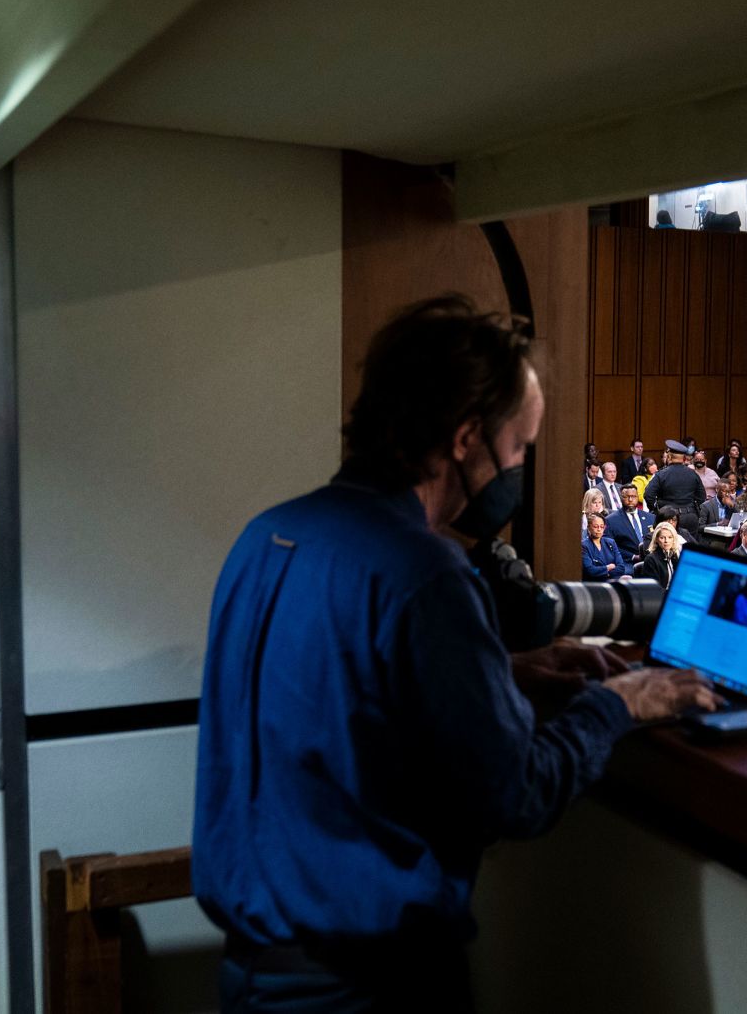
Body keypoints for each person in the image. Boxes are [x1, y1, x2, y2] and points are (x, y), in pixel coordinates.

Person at [194, 297, 717, 1010]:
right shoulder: (425, 574)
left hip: (254, 975)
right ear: (468, 438)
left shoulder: (268, 535)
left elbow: (334, 693)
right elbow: (516, 792)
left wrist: (502, 672)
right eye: (521, 448)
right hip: (368, 987)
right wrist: (617, 702)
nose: (521, 468)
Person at [645, 441, 706, 531]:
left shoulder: (661, 474)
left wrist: (657, 510)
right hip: (690, 517)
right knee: (690, 544)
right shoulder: (693, 474)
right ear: (684, 458)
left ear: (669, 457)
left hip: (669, 519)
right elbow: (702, 497)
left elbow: (648, 495)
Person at [605, 485, 655, 562]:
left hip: (651, 560)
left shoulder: (651, 518)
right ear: (620, 498)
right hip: (627, 562)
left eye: (633, 496)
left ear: (638, 497)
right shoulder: (611, 520)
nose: (630, 500)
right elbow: (609, 546)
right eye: (626, 497)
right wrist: (633, 557)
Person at [581, 514, 628, 581]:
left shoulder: (611, 542)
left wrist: (606, 573)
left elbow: (621, 567)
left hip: (612, 579)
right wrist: (607, 567)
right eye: (595, 527)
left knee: (627, 578)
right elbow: (590, 570)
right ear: (588, 527)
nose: (599, 529)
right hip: (594, 582)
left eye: (602, 526)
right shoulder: (584, 545)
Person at [640, 521, 682, 589]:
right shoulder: (651, 559)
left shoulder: (674, 555)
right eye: (662, 538)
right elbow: (654, 589)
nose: (666, 541)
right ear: (656, 539)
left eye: (670, 537)